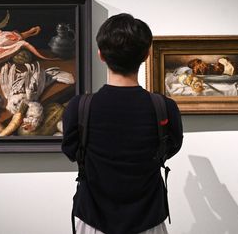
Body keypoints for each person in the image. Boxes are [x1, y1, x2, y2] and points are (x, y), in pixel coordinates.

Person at [61, 13, 183, 234]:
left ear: (100, 55)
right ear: (146, 55)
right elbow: (171, 148)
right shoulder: (164, 107)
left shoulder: (79, 107)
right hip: (149, 222)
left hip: (92, 221)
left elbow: (71, 151)